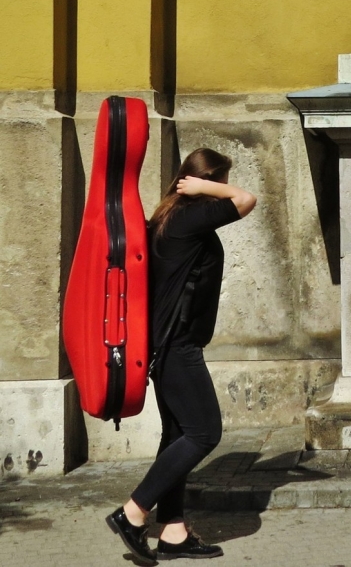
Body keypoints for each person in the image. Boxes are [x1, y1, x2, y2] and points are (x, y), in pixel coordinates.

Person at [106, 148, 257, 563]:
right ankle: (132, 513)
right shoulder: (190, 218)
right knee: (205, 434)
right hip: (177, 349)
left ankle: (173, 533)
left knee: (176, 436)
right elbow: (245, 199)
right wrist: (207, 187)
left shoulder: (167, 220)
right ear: (203, 181)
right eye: (217, 180)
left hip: (166, 346)